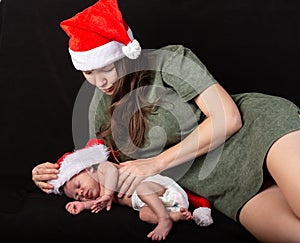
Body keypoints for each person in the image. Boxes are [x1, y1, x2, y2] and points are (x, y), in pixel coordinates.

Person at [32, 0, 300, 242]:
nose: (100, 82)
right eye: (89, 72)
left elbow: (228, 118)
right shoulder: (97, 107)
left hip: (257, 131)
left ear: (125, 54)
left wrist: (154, 164)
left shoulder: (168, 61)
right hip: (223, 185)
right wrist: (51, 176)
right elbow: (94, 166)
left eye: (107, 68)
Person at [47, 139, 193, 241]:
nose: (80, 193)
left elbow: (111, 171)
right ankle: (174, 216)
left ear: (89, 169)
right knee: (144, 215)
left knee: (143, 189)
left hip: (160, 188)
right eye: (77, 196)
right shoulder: (101, 197)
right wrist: (82, 205)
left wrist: (108, 194)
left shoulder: (102, 169)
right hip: (156, 204)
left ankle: (164, 219)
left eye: (78, 186)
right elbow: (98, 204)